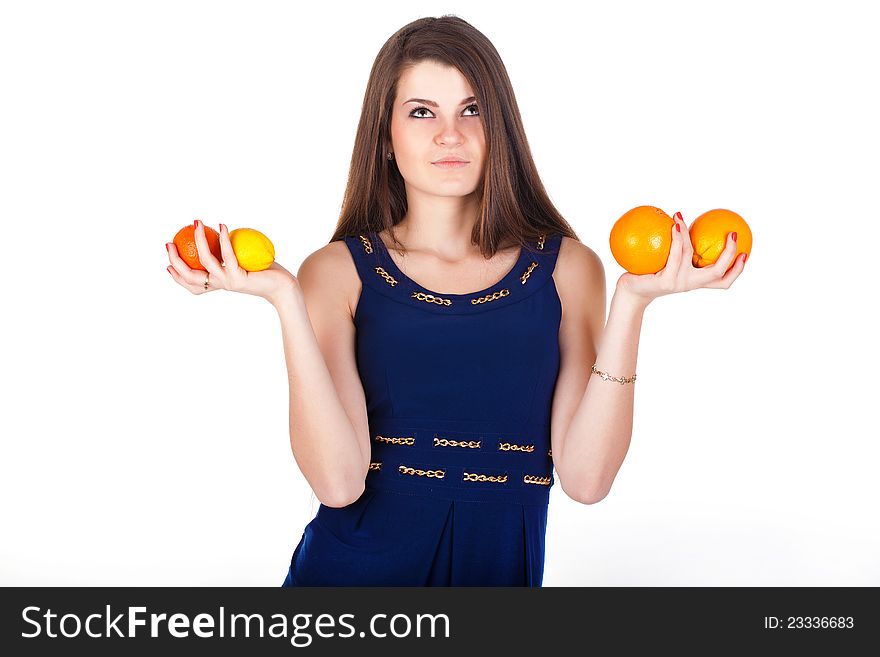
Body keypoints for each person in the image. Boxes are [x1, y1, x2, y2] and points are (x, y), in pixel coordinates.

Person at [165, 15, 746, 586]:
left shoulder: (568, 269)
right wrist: (284, 298)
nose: (451, 134)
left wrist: (632, 303)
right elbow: (338, 485)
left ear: (502, 128)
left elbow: (587, 480)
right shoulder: (338, 272)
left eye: (472, 110)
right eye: (422, 112)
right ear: (385, 136)